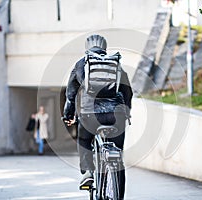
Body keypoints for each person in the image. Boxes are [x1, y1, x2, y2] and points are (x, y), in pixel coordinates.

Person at [63, 34, 133, 200]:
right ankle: (118, 193)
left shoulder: (82, 64)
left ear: (87, 48)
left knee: (84, 140)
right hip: (117, 115)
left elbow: (71, 94)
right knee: (118, 158)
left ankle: (88, 172)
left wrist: (68, 114)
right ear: (104, 47)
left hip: (90, 116)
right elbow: (127, 91)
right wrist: (127, 111)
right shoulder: (115, 64)